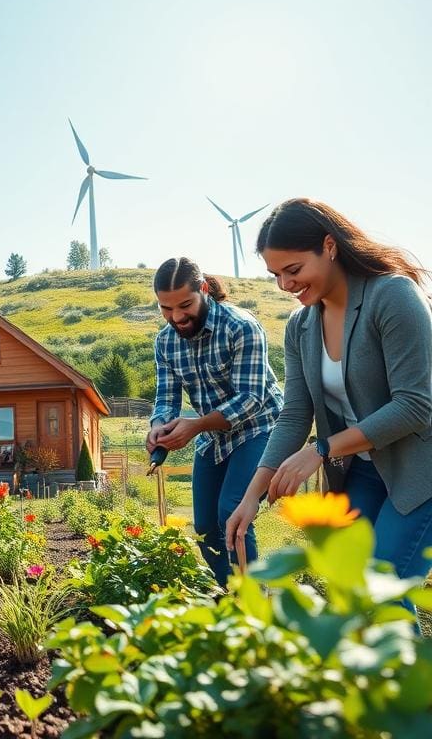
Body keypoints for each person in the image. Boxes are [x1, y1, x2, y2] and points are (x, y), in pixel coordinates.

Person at [225, 198, 432, 587]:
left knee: (383, 588)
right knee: (347, 585)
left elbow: (414, 406)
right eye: (276, 275)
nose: (285, 285)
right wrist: (250, 497)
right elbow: (294, 416)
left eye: (294, 269)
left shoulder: (393, 296)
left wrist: (321, 449)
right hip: (362, 470)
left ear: (330, 246)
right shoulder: (300, 326)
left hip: (420, 468)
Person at [147, 257, 283, 585]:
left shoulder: (241, 326)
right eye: (166, 309)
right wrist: (158, 426)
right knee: (206, 525)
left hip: (259, 428)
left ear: (204, 290)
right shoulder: (165, 341)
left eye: (185, 305)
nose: (177, 317)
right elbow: (166, 398)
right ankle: (231, 598)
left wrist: (194, 425)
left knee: (232, 512)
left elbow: (251, 400)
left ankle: (252, 607)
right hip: (213, 438)